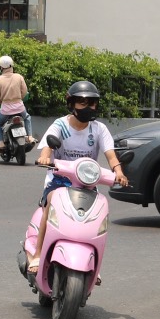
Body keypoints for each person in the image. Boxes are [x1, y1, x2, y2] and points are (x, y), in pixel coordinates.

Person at [26, 80, 128, 275]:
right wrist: (45, 156)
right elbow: (48, 144)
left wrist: (119, 173)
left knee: (98, 218)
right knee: (50, 206)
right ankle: (39, 254)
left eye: (92, 103)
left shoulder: (99, 129)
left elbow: (111, 155)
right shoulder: (61, 125)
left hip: (87, 183)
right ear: (71, 104)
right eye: (82, 102)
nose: (88, 107)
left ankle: (94, 265)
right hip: (59, 180)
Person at [0, 54, 29, 147]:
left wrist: (1, 102)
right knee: (27, 118)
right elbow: (25, 92)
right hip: (20, 108)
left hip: (5, 110)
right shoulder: (19, 77)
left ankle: (0, 143)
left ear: (1, 67)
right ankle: (29, 137)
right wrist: (18, 99)